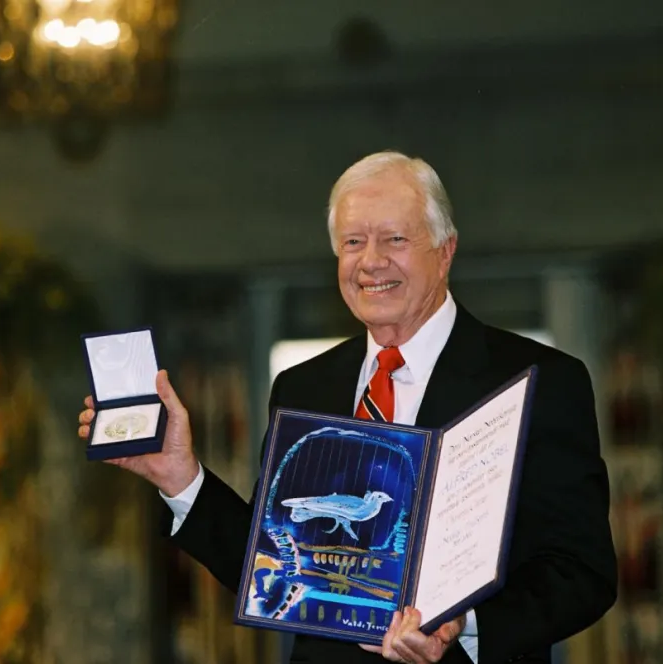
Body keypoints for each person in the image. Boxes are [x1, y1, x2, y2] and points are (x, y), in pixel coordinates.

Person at [78, 151, 617, 664]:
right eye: (353, 241)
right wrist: (183, 478)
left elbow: (581, 571)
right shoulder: (304, 386)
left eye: (395, 239)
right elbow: (282, 562)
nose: (371, 261)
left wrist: (465, 626)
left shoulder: (539, 381)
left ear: (446, 249)